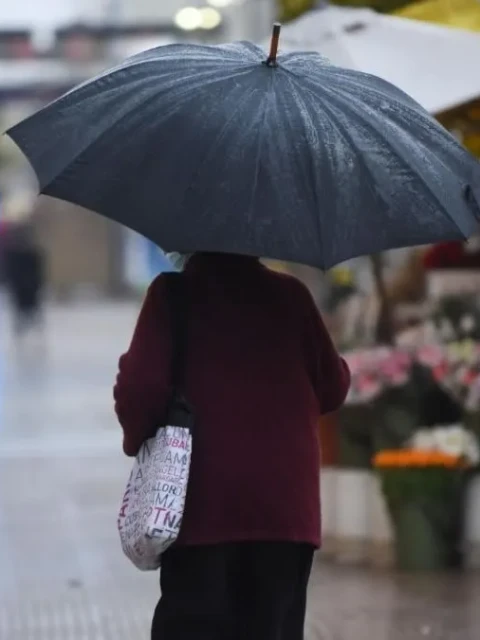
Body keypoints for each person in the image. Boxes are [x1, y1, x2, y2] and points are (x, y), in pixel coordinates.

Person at [113, 252, 350, 640]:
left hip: (201, 506)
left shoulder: (172, 295)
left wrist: (137, 436)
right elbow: (333, 387)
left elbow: (140, 390)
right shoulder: (293, 295)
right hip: (286, 509)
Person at [2, 220, 45, 338]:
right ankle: (25, 331)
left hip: (28, 286)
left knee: (28, 310)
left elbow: (38, 270)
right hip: (23, 286)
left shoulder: (29, 253)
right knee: (25, 310)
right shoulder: (18, 253)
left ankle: (29, 331)